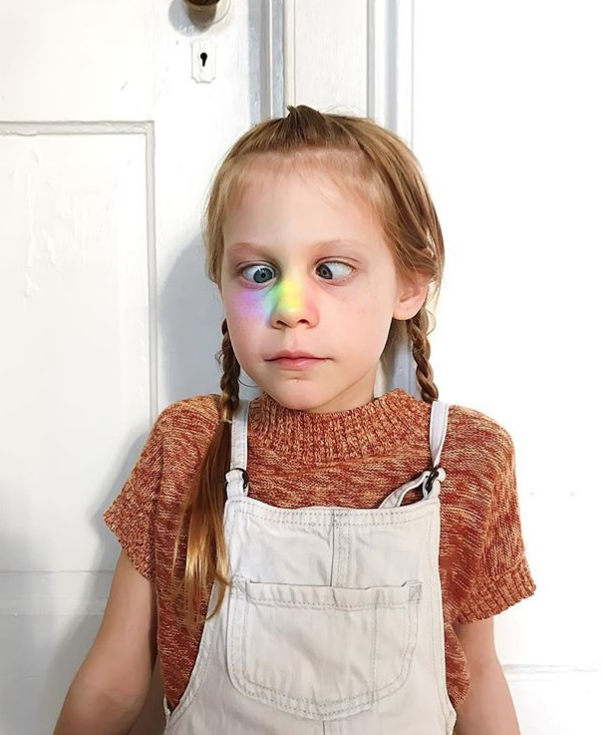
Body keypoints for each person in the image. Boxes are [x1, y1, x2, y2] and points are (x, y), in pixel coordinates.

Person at [53, 105, 536, 735]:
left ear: (409, 285)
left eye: (331, 270)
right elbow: (114, 684)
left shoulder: (465, 458)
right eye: (259, 273)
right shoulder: (189, 446)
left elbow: (477, 677)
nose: (289, 308)